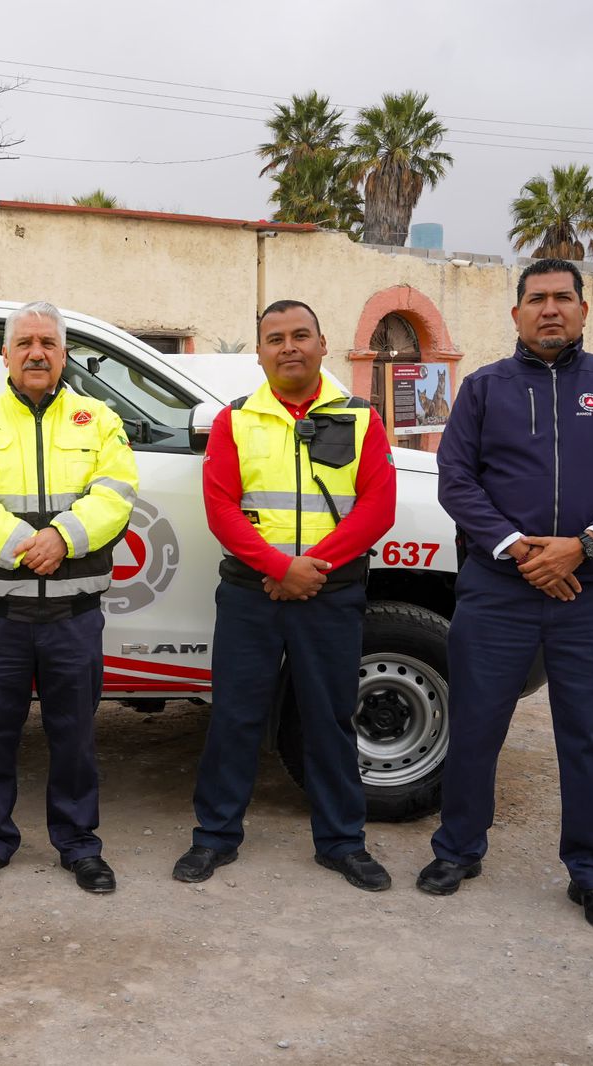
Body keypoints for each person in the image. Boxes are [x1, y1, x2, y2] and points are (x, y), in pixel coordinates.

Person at [418, 259, 593, 930]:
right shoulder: (484, 388)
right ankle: (457, 849)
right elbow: (456, 478)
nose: (550, 309)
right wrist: (517, 548)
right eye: (536, 299)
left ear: (584, 309)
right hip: (498, 589)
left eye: (563, 297)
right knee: (475, 725)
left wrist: (584, 544)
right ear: (517, 314)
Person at [173, 299, 396, 891]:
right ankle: (214, 837)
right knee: (235, 718)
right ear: (260, 353)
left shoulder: (360, 418)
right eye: (276, 339)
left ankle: (342, 843)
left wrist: (310, 569)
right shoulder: (235, 420)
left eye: (301, 335)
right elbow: (221, 508)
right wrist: (279, 567)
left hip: (330, 592)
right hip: (253, 594)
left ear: (322, 345)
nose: (289, 347)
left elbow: (378, 507)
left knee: (329, 719)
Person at [0, 300, 139, 895]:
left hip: (72, 615)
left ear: (64, 354)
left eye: (47, 343)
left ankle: (78, 844)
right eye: (24, 343)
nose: (36, 353)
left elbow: (117, 493)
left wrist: (63, 538)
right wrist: (28, 546)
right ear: (5, 354)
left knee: (74, 737)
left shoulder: (98, 421)